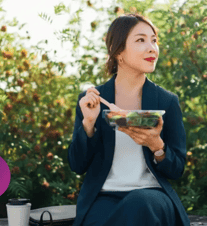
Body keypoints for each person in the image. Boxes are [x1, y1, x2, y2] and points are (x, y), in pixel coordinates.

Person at [68, 13, 190, 226]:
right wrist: (88, 124)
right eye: (141, 40)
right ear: (119, 52)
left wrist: (156, 145)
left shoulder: (166, 101)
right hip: (104, 197)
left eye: (154, 40)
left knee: (140, 202)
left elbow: (177, 169)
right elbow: (77, 165)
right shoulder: (93, 100)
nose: (152, 47)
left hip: (153, 196)